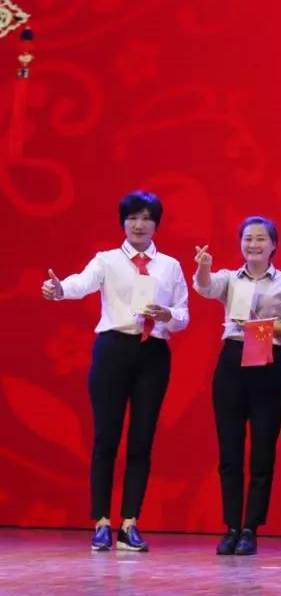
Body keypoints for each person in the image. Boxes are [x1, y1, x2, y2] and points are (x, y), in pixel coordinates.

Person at [41, 190, 189, 553]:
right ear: (123, 222)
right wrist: (58, 289)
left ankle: (129, 524)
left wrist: (168, 315)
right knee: (106, 439)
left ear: (156, 224)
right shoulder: (106, 260)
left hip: (153, 353)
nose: (139, 225)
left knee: (141, 440)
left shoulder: (169, 266)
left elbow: (183, 314)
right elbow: (80, 284)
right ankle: (101, 524)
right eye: (132, 218)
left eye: (146, 218)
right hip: (113, 350)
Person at [192, 216, 281, 555]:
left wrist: (266, 328)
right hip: (232, 361)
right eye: (248, 238)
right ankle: (231, 526)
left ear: (273, 245)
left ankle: (250, 528)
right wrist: (204, 267)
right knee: (229, 451)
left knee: (262, 451)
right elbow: (205, 287)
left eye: (261, 239)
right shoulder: (230, 279)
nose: (253, 244)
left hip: (267, 362)